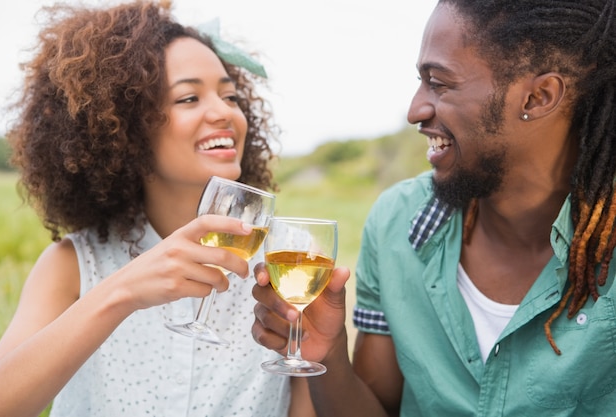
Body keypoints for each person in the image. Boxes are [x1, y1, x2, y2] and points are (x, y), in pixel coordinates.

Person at [252, 0, 616, 415]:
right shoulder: (395, 224)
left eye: (439, 83)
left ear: (537, 97)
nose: (415, 110)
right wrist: (329, 353)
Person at [0, 1, 314, 416]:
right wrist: (122, 292)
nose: (223, 113)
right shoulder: (73, 264)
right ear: (123, 127)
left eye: (230, 96)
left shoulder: (288, 260)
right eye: (189, 97)